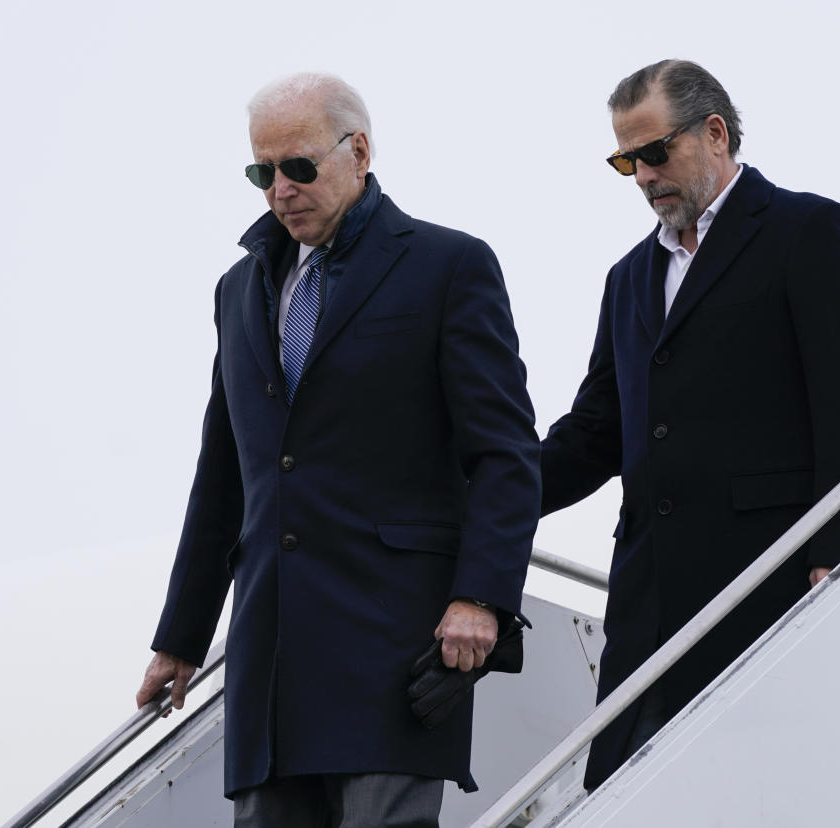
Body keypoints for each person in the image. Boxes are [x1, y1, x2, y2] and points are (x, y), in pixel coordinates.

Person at [135, 72, 540, 827]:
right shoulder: (237, 290)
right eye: (263, 173)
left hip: (395, 640)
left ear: (358, 151)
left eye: (298, 168)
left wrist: (481, 597)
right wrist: (181, 638)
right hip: (272, 656)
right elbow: (223, 476)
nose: (280, 190)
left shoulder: (448, 265)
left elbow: (505, 452)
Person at [540, 59, 840, 790]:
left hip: (773, 587)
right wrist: (481, 488)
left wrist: (838, 557)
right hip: (646, 615)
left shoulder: (809, 231)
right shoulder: (628, 278)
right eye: (625, 161)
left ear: (714, 133)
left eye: (654, 153)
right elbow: (595, 435)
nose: (642, 176)